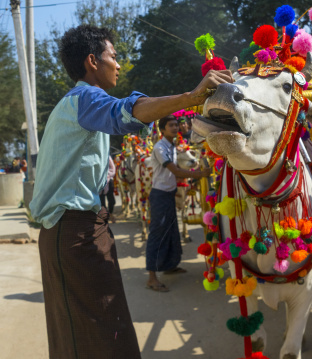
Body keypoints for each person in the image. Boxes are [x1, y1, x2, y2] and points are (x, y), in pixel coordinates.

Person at [29, 24, 233, 359]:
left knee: (77, 333)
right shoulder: (85, 98)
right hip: (76, 232)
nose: (119, 64)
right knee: (103, 332)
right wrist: (191, 97)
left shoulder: (73, 106)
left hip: (67, 231)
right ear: (93, 61)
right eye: (114, 56)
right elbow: (125, 112)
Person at [145, 115, 211, 292]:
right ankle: (152, 277)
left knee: (172, 231)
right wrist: (200, 175)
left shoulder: (172, 146)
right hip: (159, 195)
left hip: (169, 193)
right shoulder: (160, 148)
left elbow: (177, 173)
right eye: (171, 125)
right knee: (157, 233)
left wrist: (195, 172)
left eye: (176, 125)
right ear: (162, 130)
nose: (175, 128)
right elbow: (174, 170)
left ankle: (170, 265)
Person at [99, 154, 117, 223]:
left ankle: (111, 213)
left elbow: (113, 169)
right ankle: (105, 216)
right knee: (101, 201)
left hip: (108, 181)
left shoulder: (107, 156)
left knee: (112, 201)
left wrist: (107, 176)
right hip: (99, 183)